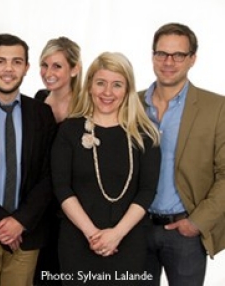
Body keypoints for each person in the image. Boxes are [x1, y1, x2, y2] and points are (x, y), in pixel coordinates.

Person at [51, 52, 161, 285]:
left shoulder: (145, 135)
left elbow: (147, 191)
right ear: (90, 85)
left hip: (128, 242)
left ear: (128, 89)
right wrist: (93, 234)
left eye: (117, 85)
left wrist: (116, 234)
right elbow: (62, 187)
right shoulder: (69, 131)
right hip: (78, 241)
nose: (107, 92)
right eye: (101, 83)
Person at [141, 23, 225, 286]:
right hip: (135, 230)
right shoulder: (130, 104)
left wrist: (197, 223)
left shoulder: (217, 108)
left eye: (178, 55)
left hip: (185, 233)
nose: (168, 62)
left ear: (192, 59)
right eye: (161, 54)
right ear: (152, 56)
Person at [0, 33, 56, 286]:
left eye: (17, 61)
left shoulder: (42, 114)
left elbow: (50, 174)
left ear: (27, 67)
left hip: (27, 234)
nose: (8, 68)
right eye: (0, 61)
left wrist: (20, 221)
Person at [33, 36, 82, 286]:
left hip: (75, 208)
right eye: (44, 64)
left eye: (57, 66)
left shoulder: (88, 106)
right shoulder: (38, 100)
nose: (48, 72)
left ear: (74, 69)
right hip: (42, 210)